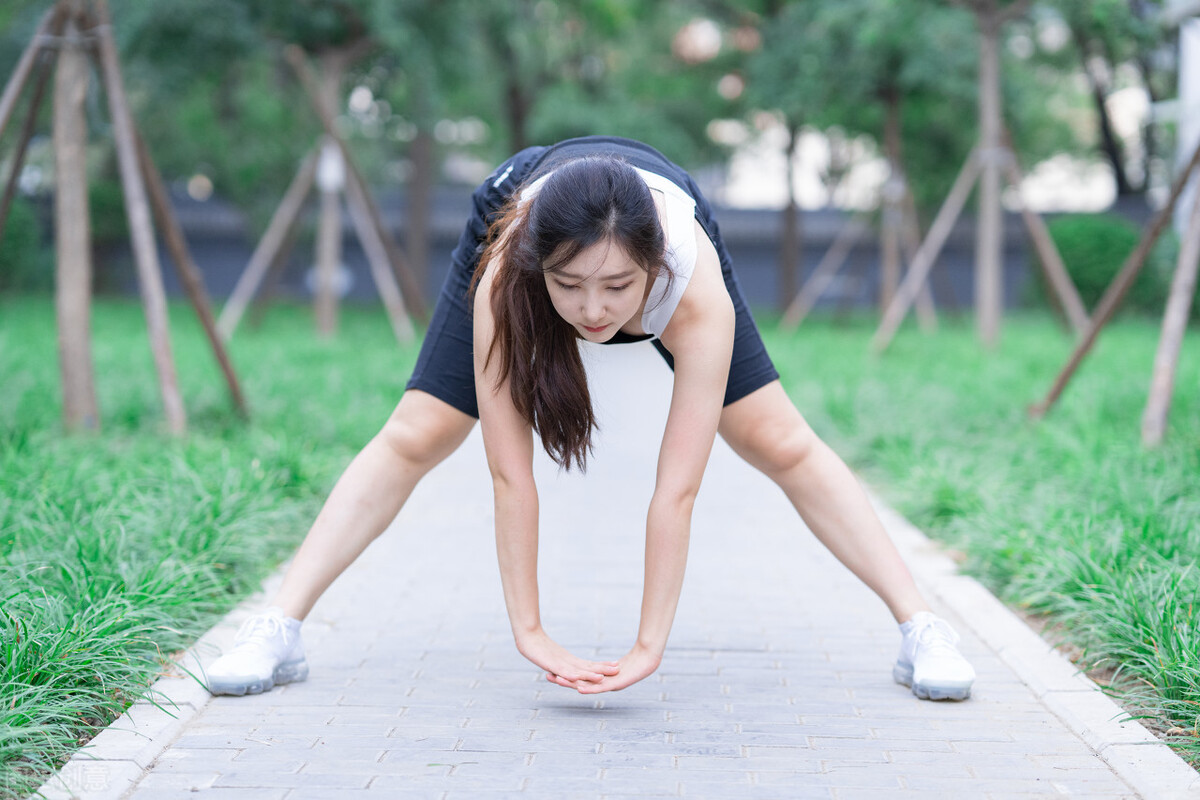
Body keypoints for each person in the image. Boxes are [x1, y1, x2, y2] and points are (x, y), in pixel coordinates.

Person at [205, 136, 975, 701]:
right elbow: (512, 475)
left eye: (616, 286)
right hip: (523, 199)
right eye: (571, 286)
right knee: (422, 429)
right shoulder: (509, 275)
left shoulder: (691, 282)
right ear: (543, 269)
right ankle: (280, 628)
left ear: (654, 268)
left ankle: (920, 627)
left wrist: (648, 645)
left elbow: (674, 492)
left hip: (654, 200)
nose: (593, 311)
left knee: (774, 437)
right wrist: (531, 631)